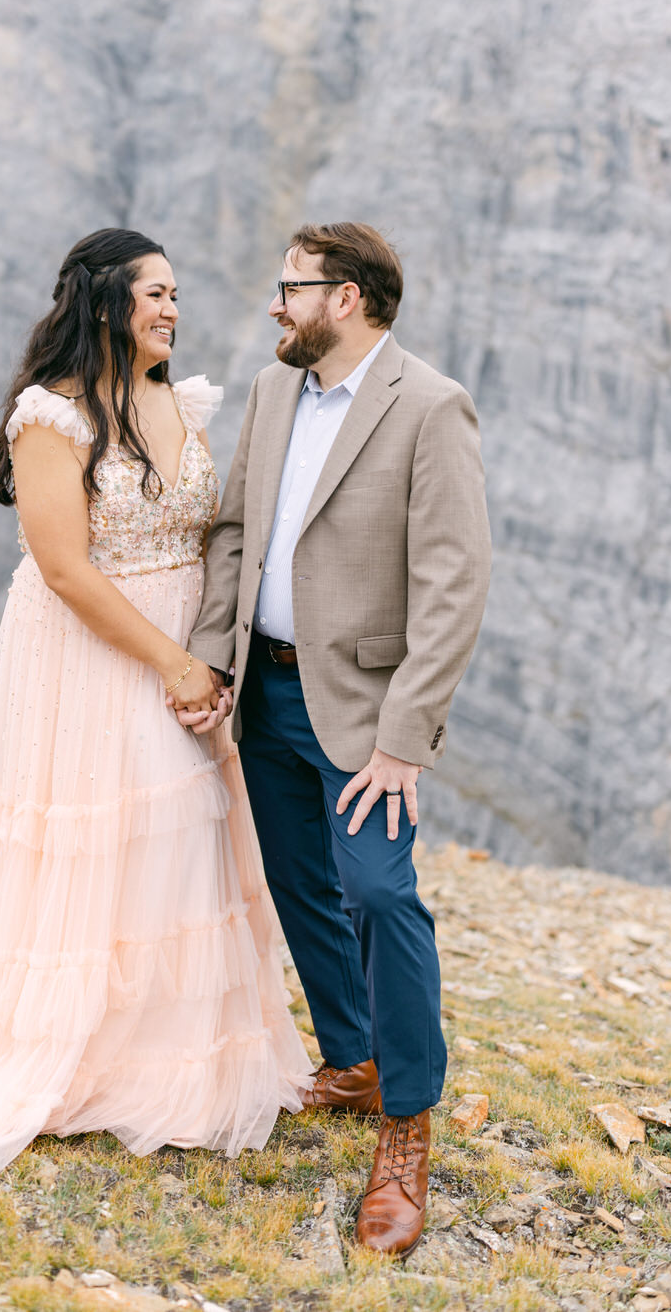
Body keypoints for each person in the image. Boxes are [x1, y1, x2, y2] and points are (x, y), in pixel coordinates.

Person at [0, 228, 313, 1188]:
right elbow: (66, 568)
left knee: (182, 842)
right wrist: (171, 664)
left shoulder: (174, 401)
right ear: (104, 301)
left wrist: (214, 656)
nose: (172, 310)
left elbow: (217, 534)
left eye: (176, 295)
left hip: (186, 648)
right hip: (93, 653)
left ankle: (162, 1048)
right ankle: (76, 1049)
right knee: (105, 836)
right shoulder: (52, 417)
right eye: (155, 293)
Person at [182, 221, 491, 1258]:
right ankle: (351, 1059)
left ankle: (403, 1128)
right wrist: (214, 660)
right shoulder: (273, 392)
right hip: (265, 697)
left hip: (363, 714)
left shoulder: (430, 407)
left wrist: (403, 740)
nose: (274, 304)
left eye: (290, 288)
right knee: (299, 883)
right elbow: (234, 531)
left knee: (379, 893)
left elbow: (453, 586)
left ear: (346, 297)